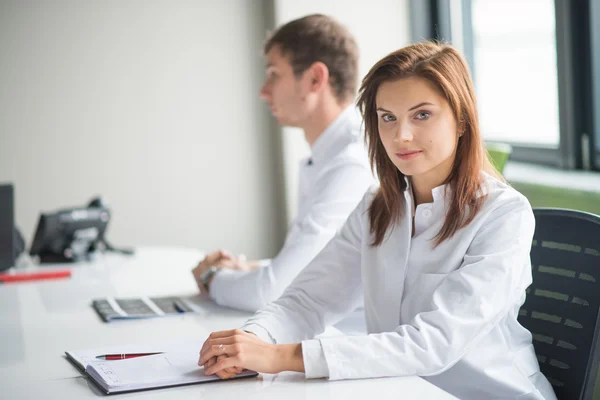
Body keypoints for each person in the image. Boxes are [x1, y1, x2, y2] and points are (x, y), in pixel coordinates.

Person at [197, 42, 558, 400]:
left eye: (421, 115)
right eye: (387, 117)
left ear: (462, 119)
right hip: (399, 390)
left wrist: (282, 357)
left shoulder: (504, 215)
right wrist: (251, 342)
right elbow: (307, 301)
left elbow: (432, 344)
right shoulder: (377, 207)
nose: (400, 136)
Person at [192, 14, 374, 314]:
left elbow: (273, 292)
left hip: (350, 339)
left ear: (316, 78)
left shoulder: (351, 164)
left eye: (274, 74)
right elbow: (313, 266)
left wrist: (212, 278)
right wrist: (245, 268)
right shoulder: (328, 156)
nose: (264, 91)